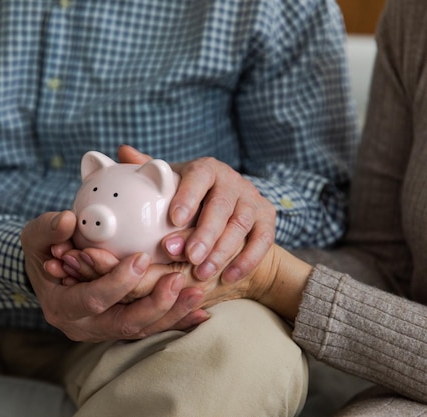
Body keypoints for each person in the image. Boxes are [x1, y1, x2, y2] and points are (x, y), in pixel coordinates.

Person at [0, 0, 357, 416]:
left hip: (158, 314)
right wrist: (19, 264)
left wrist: (230, 217)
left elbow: (320, 191)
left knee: (249, 352)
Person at [63, 0, 427, 414]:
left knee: (245, 351)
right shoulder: (414, 18)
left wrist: (264, 269)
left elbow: (319, 195)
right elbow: (385, 263)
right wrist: (219, 250)